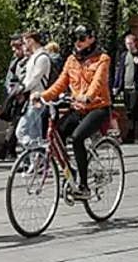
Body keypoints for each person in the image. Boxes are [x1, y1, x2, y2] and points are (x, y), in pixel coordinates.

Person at [35, 25, 111, 200]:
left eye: (81, 38)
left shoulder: (102, 59)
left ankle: (84, 186)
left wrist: (88, 96)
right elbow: (61, 83)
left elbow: (98, 82)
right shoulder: (71, 60)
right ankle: (72, 171)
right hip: (77, 108)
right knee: (56, 135)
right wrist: (42, 95)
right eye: (75, 39)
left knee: (77, 138)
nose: (77, 42)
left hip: (97, 108)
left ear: (91, 39)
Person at [111, 33, 138, 144]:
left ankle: (131, 135)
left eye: (130, 43)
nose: (128, 46)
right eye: (126, 44)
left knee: (132, 109)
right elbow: (120, 72)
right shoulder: (124, 55)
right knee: (131, 111)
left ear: (135, 43)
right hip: (126, 86)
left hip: (136, 86)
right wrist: (116, 86)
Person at [15, 30, 52, 147]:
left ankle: (40, 152)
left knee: (21, 131)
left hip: (38, 98)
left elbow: (35, 78)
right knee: (34, 133)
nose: (24, 45)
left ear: (31, 41)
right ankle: (36, 161)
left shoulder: (42, 58)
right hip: (32, 98)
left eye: (25, 42)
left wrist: (22, 89)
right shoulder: (34, 57)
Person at [0, 36, 27, 160]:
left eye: (17, 47)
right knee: (14, 123)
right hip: (14, 95)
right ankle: (8, 148)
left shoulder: (26, 60)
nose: (14, 50)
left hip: (21, 96)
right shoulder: (16, 60)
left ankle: (8, 148)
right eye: (12, 47)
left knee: (17, 124)